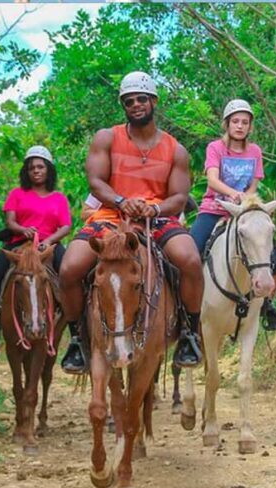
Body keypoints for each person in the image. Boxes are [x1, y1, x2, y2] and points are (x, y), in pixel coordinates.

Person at [58, 71, 205, 374]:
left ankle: (190, 334)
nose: (135, 104)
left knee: (190, 259)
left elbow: (178, 197)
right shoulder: (107, 138)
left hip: (157, 219)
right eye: (129, 101)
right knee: (70, 268)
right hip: (111, 216)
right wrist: (122, 202)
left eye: (141, 99)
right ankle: (76, 341)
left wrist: (153, 208)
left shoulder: (176, 149)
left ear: (153, 101)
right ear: (124, 106)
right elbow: (96, 181)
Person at [189, 99, 276, 331]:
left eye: (244, 122)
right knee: (190, 253)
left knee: (275, 260)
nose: (240, 126)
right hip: (214, 208)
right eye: (235, 121)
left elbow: (253, 185)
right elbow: (212, 179)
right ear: (227, 124)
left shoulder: (254, 151)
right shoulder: (215, 148)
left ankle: (267, 304)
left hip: (245, 212)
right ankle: (188, 312)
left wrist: (246, 200)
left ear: (250, 126)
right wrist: (233, 195)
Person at [0, 146, 72, 357]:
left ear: (48, 169)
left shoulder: (59, 198)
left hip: (48, 246)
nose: (36, 171)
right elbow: (10, 221)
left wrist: (48, 242)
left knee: (71, 278)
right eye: (31, 168)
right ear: (26, 172)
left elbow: (66, 226)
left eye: (40, 167)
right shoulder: (17, 194)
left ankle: (77, 337)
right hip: (18, 244)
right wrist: (23, 229)